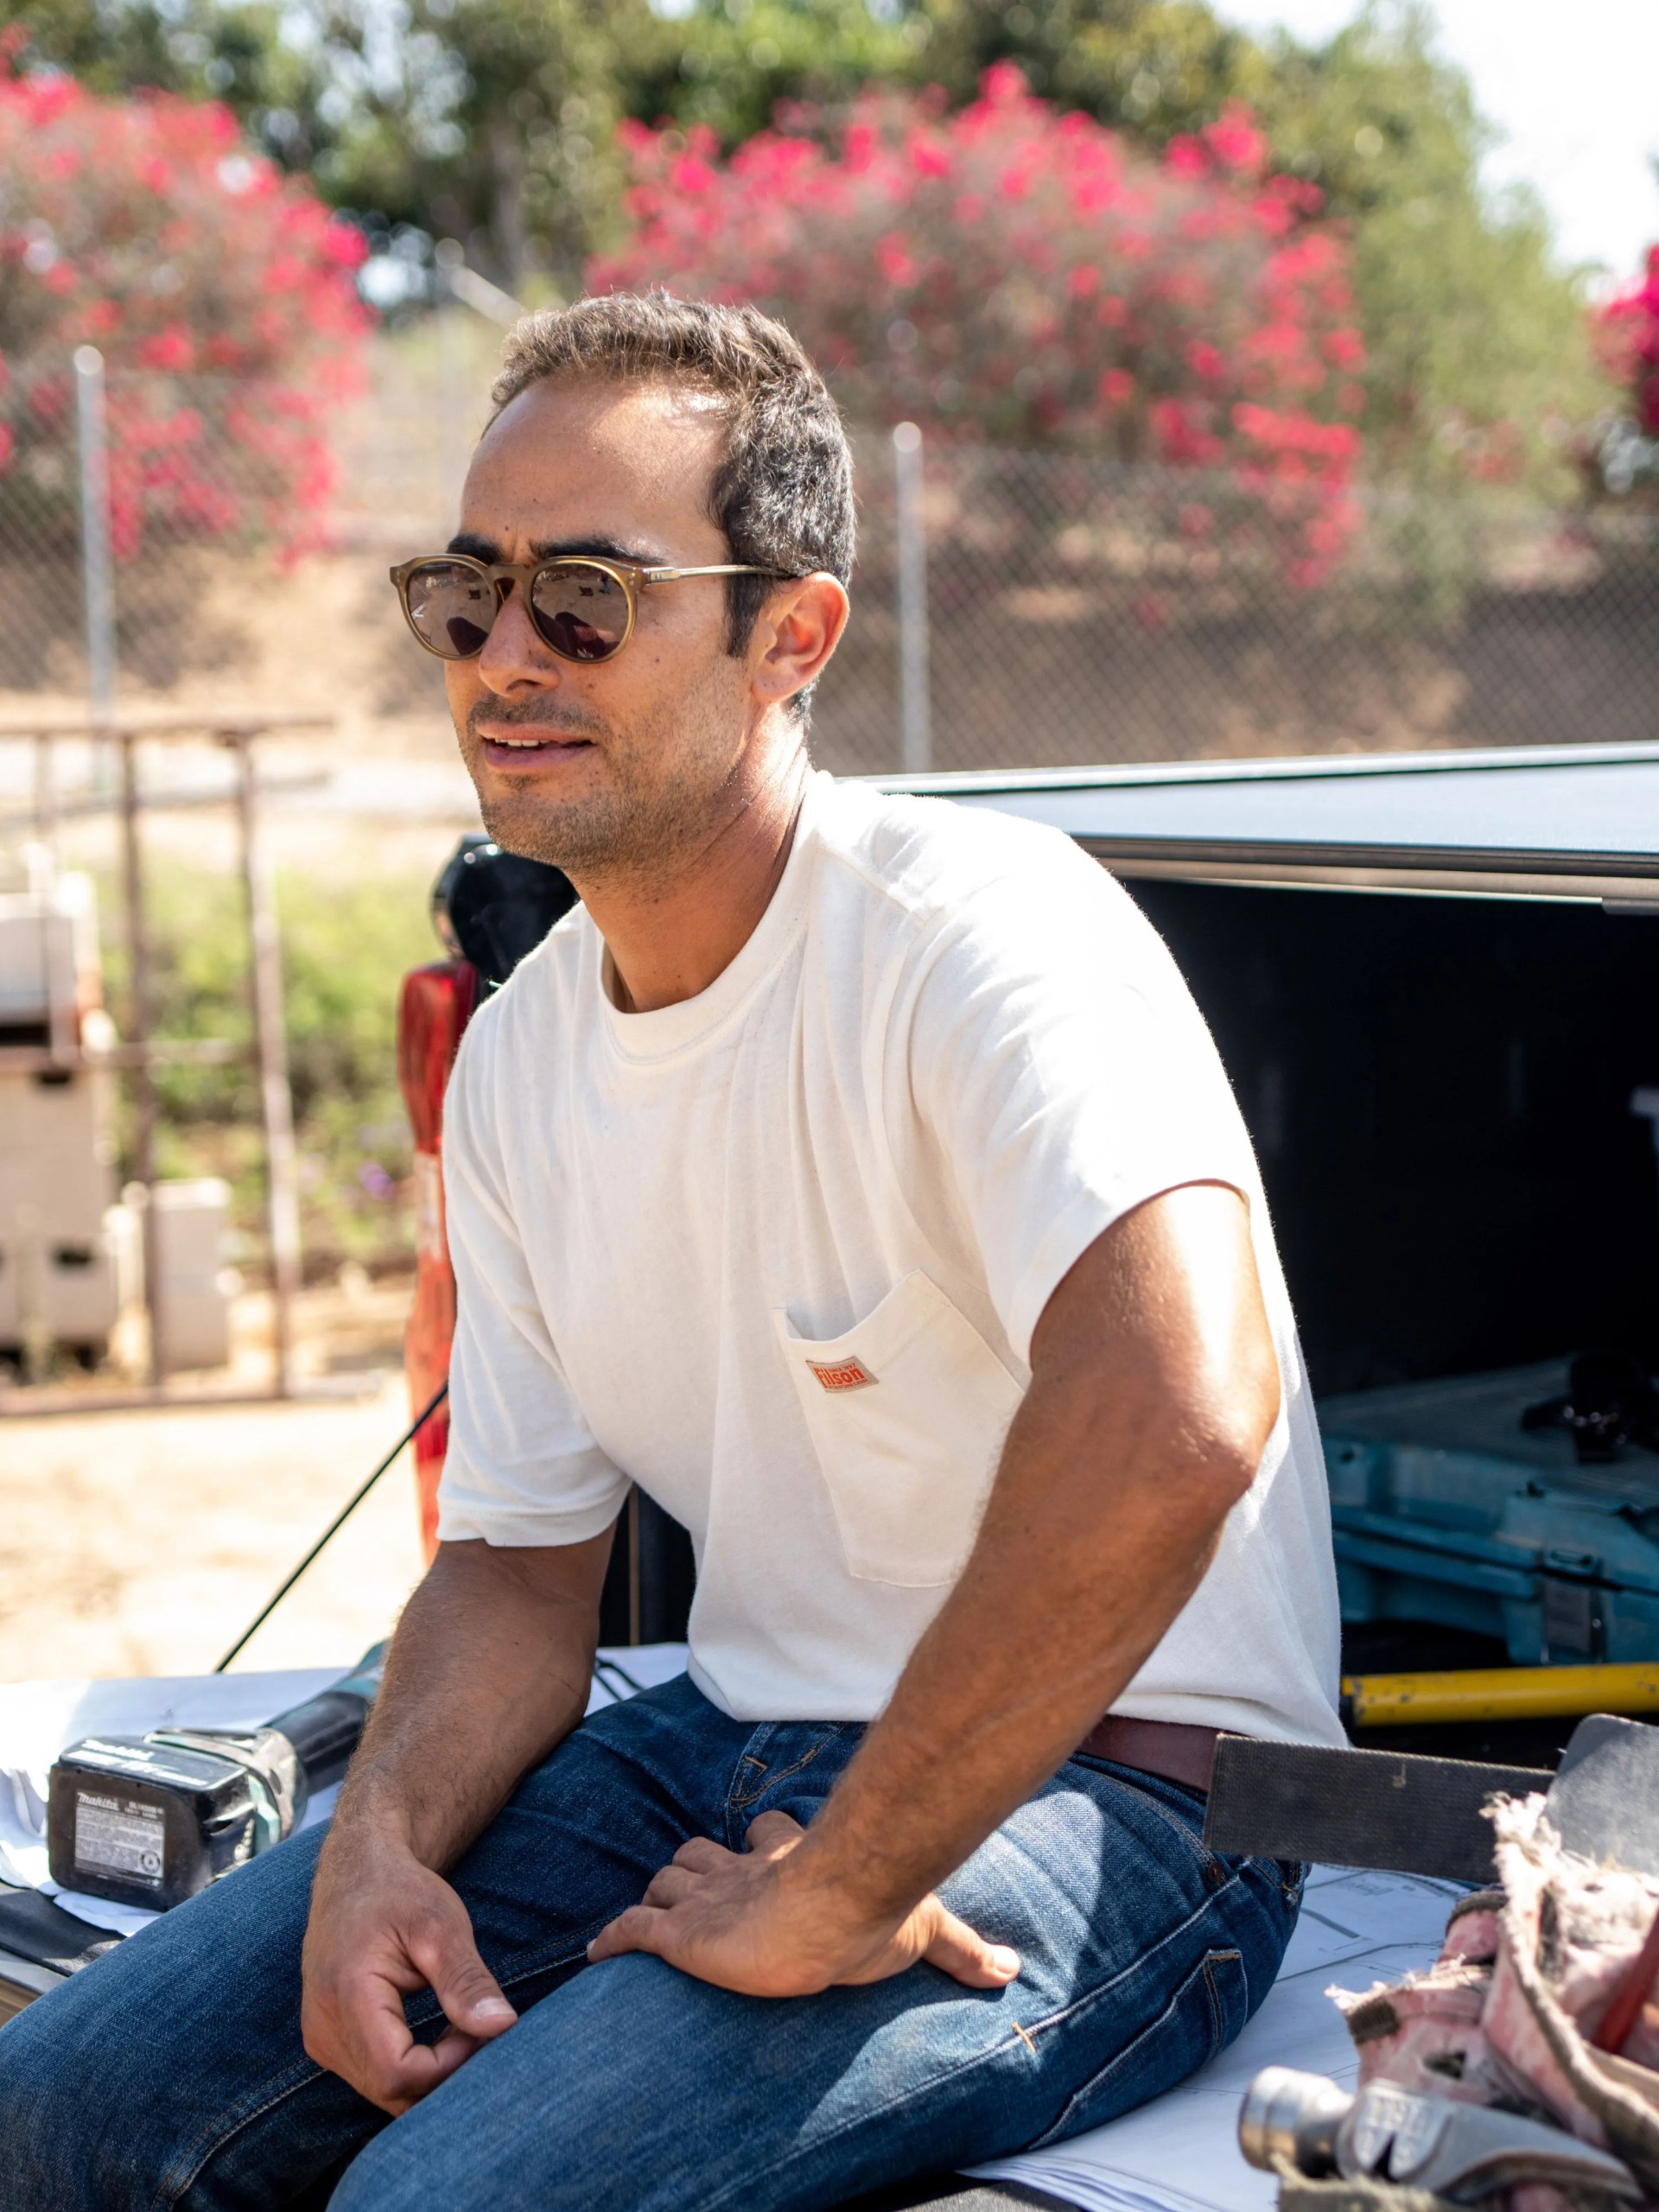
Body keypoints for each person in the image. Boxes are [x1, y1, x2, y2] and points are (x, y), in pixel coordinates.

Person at [0, 294, 1342, 2212]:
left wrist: (852, 1876)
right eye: (469, 593)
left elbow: (1178, 1416)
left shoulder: (985, 935)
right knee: (56, 2113)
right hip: (723, 1739)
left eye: (589, 597)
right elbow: (516, 1569)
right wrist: (377, 1836)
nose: (504, 656)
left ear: (789, 635)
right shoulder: (530, 1054)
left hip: (1130, 1797)